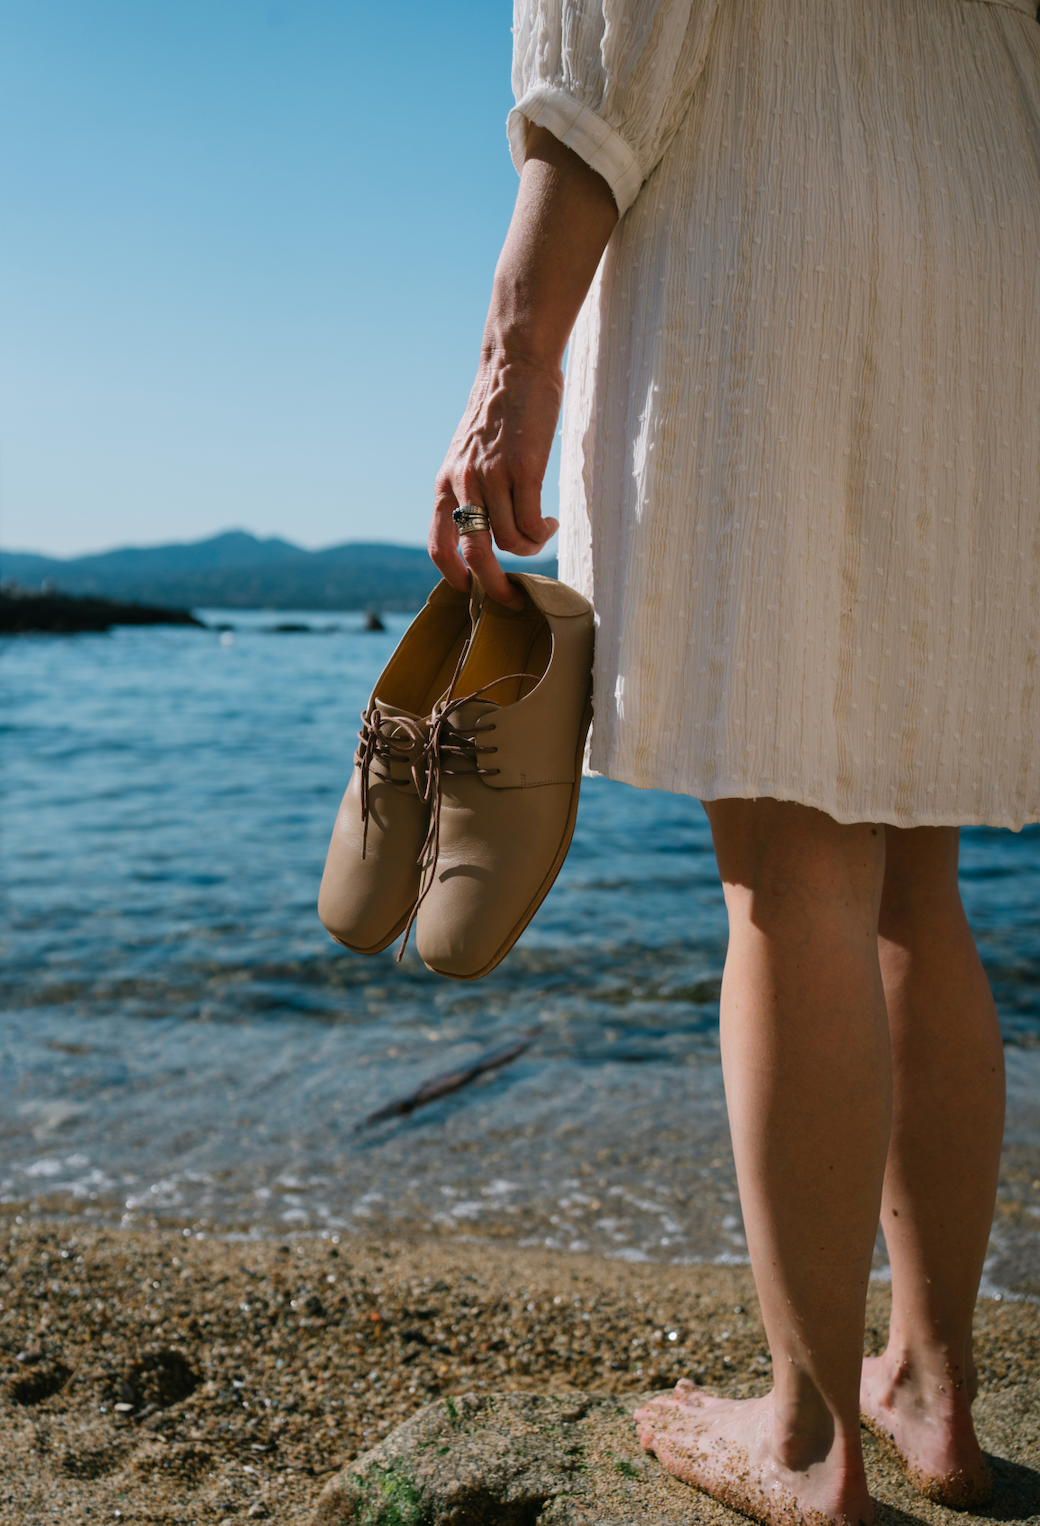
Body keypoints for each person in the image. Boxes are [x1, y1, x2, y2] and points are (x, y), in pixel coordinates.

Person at [427, 3, 1040, 1523]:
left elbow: (607, 46)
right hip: (990, 242)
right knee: (919, 864)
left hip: (772, 229)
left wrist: (518, 347)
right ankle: (933, 1385)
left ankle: (812, 1443)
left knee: (796, 866)